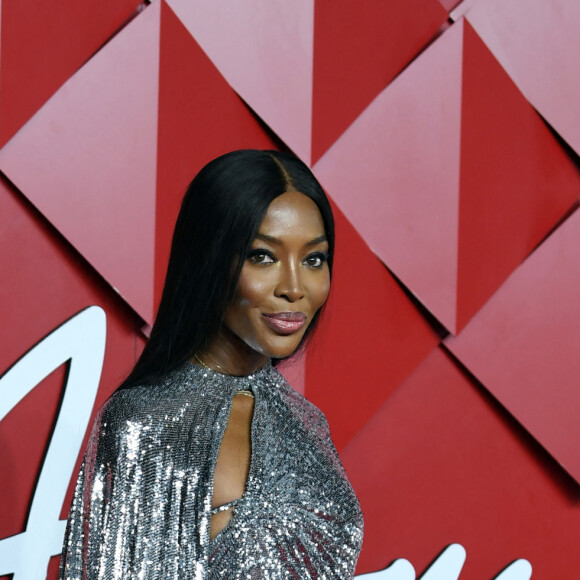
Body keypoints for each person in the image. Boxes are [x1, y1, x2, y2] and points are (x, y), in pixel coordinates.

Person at [58, 149, 364, 579]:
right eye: (263, 256)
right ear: (209, 261)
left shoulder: (308, 424)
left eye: (313, 259)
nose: (295, 287)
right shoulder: (143, 424)